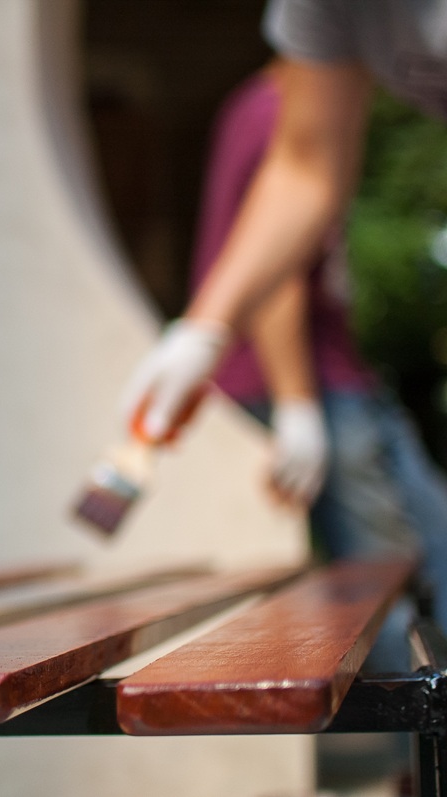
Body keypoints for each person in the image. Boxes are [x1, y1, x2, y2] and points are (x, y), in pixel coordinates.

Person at [122, 2, 447, 625]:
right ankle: (399, 712)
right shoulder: (271, 109)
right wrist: (209, 339)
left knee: (420, 541)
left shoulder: (258, 104)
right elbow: (282, 273)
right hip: (315, 384)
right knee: (381, 571)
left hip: (337, 380)